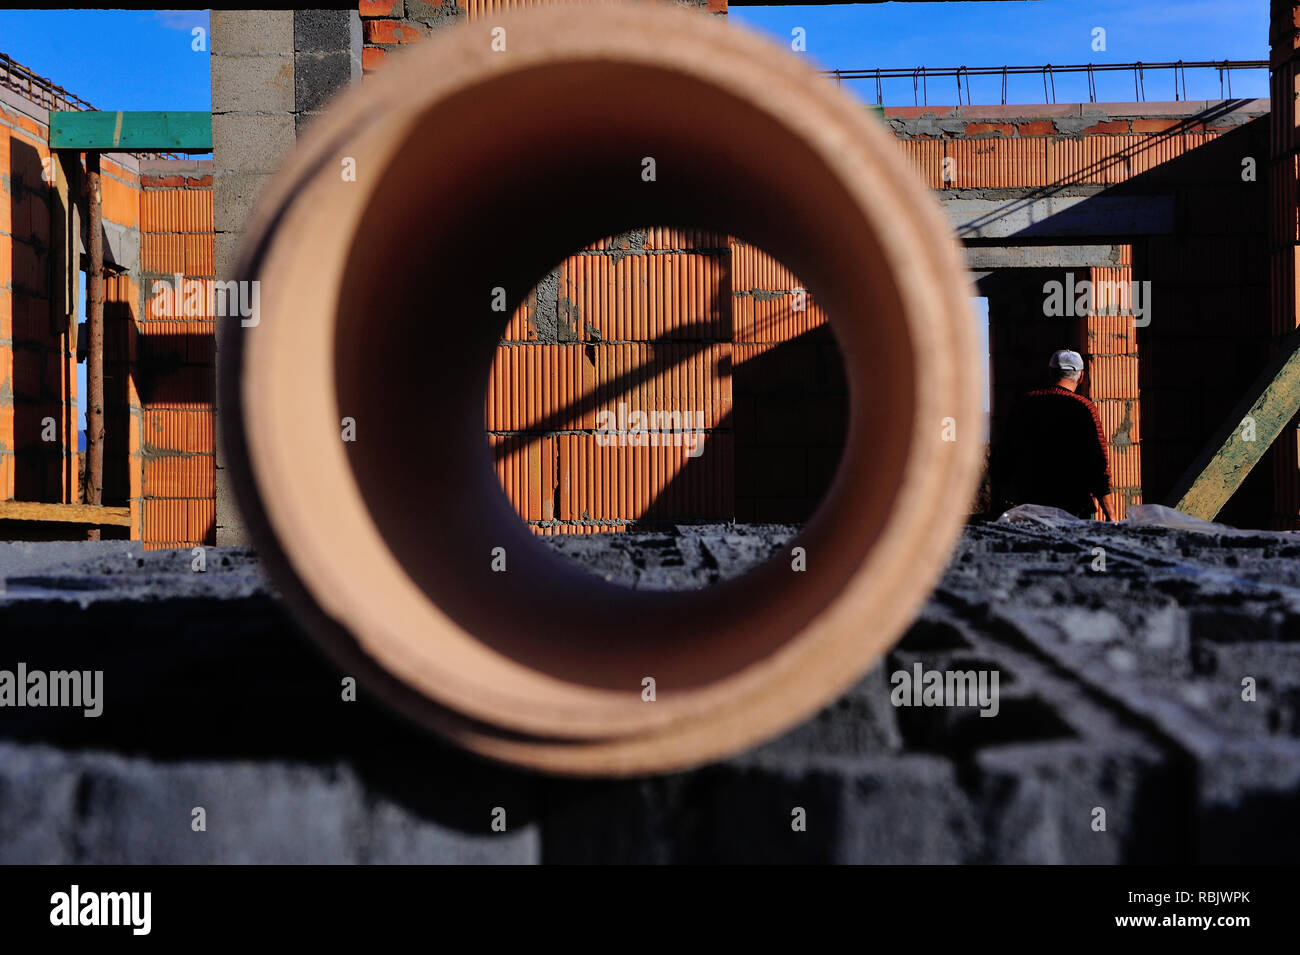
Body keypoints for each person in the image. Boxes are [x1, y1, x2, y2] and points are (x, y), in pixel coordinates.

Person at [992, 349, 1113, 521]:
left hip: (1030, 507)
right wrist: (1110, 513)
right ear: (1081, 376)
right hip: (1074, 509)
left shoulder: (1025, 404)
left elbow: (1003, 455)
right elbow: (1098, 465)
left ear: (1050, 373)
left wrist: (1001, 501)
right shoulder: (1084, 408)